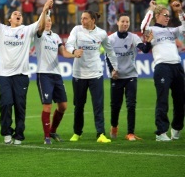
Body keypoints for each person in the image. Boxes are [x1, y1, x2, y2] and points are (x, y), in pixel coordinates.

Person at [0, 0, 53, 144]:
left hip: (21, 75)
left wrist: (45, 9)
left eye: (20, 14)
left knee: (20, 106)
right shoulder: (3, 30)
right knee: (5, 104)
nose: (18, 14)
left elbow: (40, 24)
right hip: (5, 75)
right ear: (9, 19)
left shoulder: (26, 30)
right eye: (15, 13)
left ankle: (19, 135)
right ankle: (7, 133)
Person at [65, 11, 118, 143]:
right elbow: (68, 44)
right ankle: (77, 132)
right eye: (81, 18)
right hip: (79, 74)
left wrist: (115, 67)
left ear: (93, 20)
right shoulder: (77, 30)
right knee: (79, 105)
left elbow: (110, 51)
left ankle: (100, 134)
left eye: (85, 18)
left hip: (96, 74)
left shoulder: (101, 33)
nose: (82, 21)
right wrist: (74, 51)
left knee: (98, 105)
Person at [140, 1, 185, 141]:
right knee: (163, 100)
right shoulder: (152, 30)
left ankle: (176, 128)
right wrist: (151, 10)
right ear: (157, 15)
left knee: (181, 100)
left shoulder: (171, 30)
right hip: (162, 67)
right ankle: (161, 132)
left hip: (177, 66)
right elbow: (144, 26)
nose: (168, 18)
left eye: (169, 16)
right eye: (165, 15)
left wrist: (180, 12)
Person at [106, 14, 152, 141]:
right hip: (116, 76)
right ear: (117, 22)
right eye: (123, 21)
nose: (125, 24)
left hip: (131, 75)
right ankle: (114, 126)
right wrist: (112, 71)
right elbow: (108, 56)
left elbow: (145, 49)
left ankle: (130, 133)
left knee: (131, 105)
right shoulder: (111, 39)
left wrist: (148, 42)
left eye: (127, 22)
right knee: (115, 105)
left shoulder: (133, 37)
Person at [35, 12, 75, 144]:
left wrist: (75, 54)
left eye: (50, 20)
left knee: (63, 106)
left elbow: (63, 52)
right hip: (44, 73)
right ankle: (46, 136)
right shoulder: (39, 34)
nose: (48, 22)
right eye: (45, 20)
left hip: (56, 74)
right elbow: (40, 27)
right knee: (47, 106)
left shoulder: (56, 37)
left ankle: (52, 131)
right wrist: (45, 10)